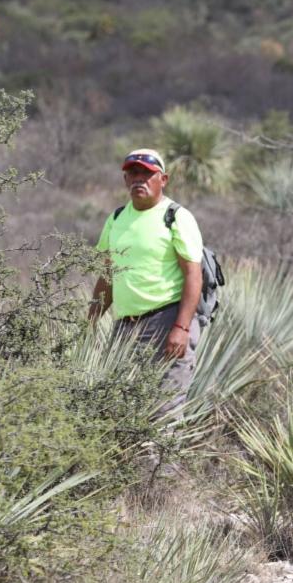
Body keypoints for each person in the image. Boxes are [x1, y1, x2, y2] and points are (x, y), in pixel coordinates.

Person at [89, 149, 204, 416]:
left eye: (147, 174)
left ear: (163, 179)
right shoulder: (116, 218)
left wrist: (181, 327)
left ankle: (164, 461)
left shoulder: (176, 217)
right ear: (125, 180)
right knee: (121, 410)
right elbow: (107, 275)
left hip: (166, 323)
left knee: (164, 411)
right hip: (125, 329)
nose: (139, 179)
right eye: (133, 173)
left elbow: (192, 275)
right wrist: (91, 322)